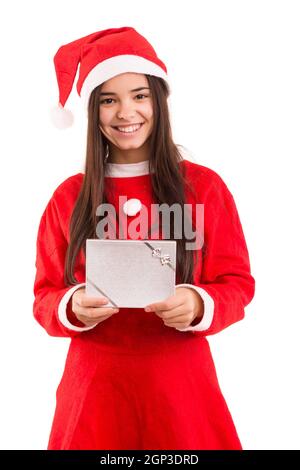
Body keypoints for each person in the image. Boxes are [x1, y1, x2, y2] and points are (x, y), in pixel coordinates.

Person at [33, 26, 255, 450]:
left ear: (159, 100)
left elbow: (238, 285)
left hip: (183, 394)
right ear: (93, 111)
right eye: (109, 100)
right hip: (94, 394)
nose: (125, 113)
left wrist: (198, 303)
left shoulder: (203, 188)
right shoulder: (68, 198)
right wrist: (71, 305)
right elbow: (44, 295)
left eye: (139, 95)